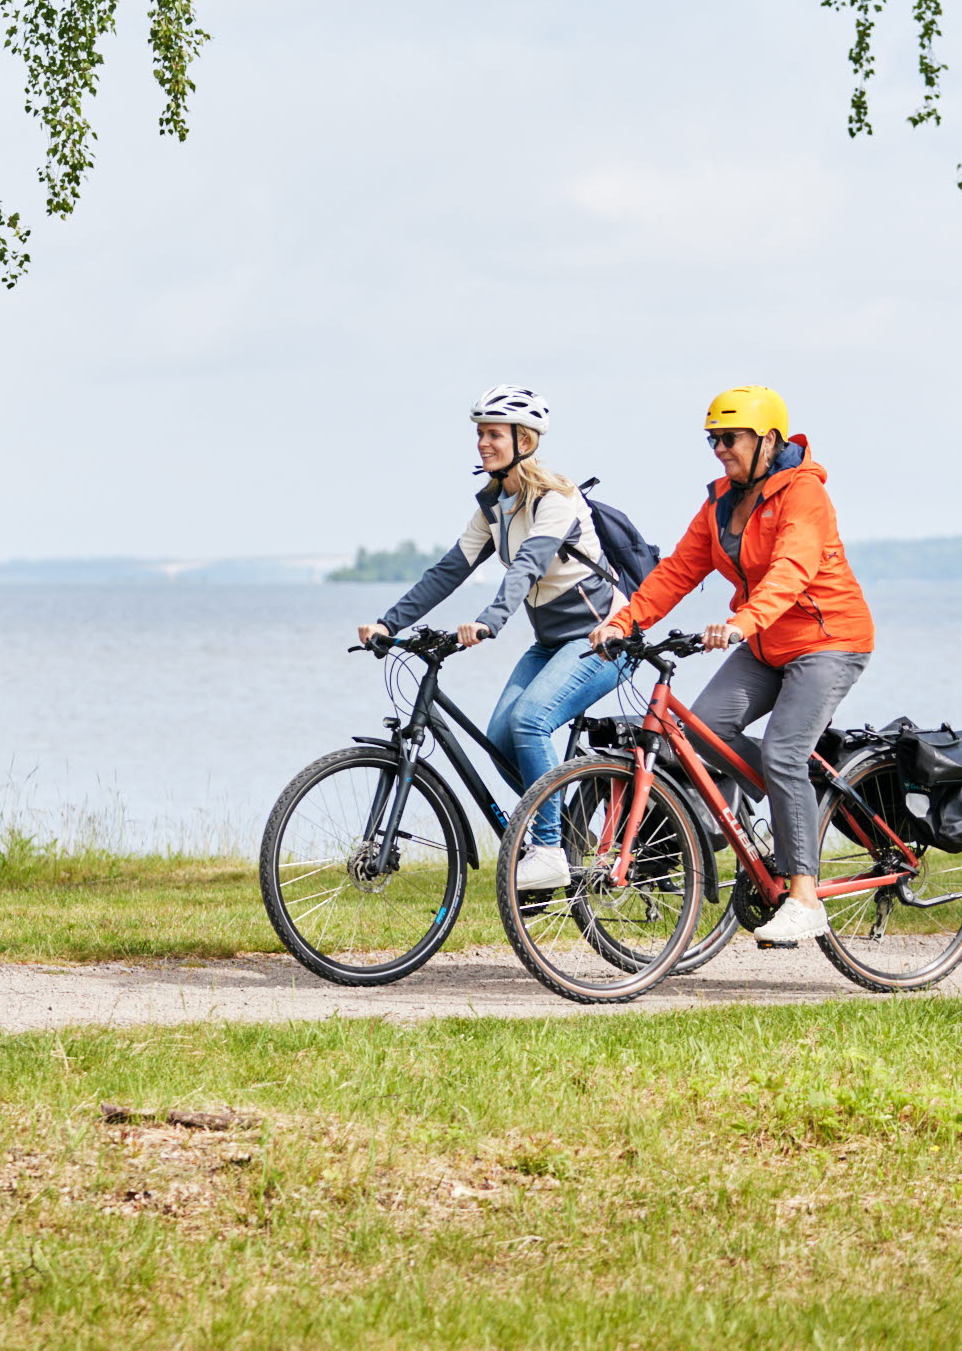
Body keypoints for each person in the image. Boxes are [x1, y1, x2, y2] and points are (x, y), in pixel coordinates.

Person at [589, 385, 874, 943]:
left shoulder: (804, 494)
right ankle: (800, 799)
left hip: (828, 639)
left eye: (730, 438)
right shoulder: (721, 501)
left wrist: (743, 622)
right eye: (713, 440)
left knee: (784, 751)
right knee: (702, 732)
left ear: (768, 440)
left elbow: (791, 571)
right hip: (766, 643)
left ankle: (805, 897)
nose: (720, 449)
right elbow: (677, 571)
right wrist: (625, 621)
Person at [357, 386, 626, 890]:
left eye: (494, 434)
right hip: (552, 643)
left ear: (525, 440)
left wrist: (489, 621)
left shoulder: (557, 501)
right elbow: (447, 571)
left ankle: (547, 849)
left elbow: (527, 567)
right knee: (501, 738)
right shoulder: (494, 508)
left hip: (602, 640)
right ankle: (567, 833)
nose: (483, 443)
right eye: (480, 433)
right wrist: (389, 623)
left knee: (530, 721)